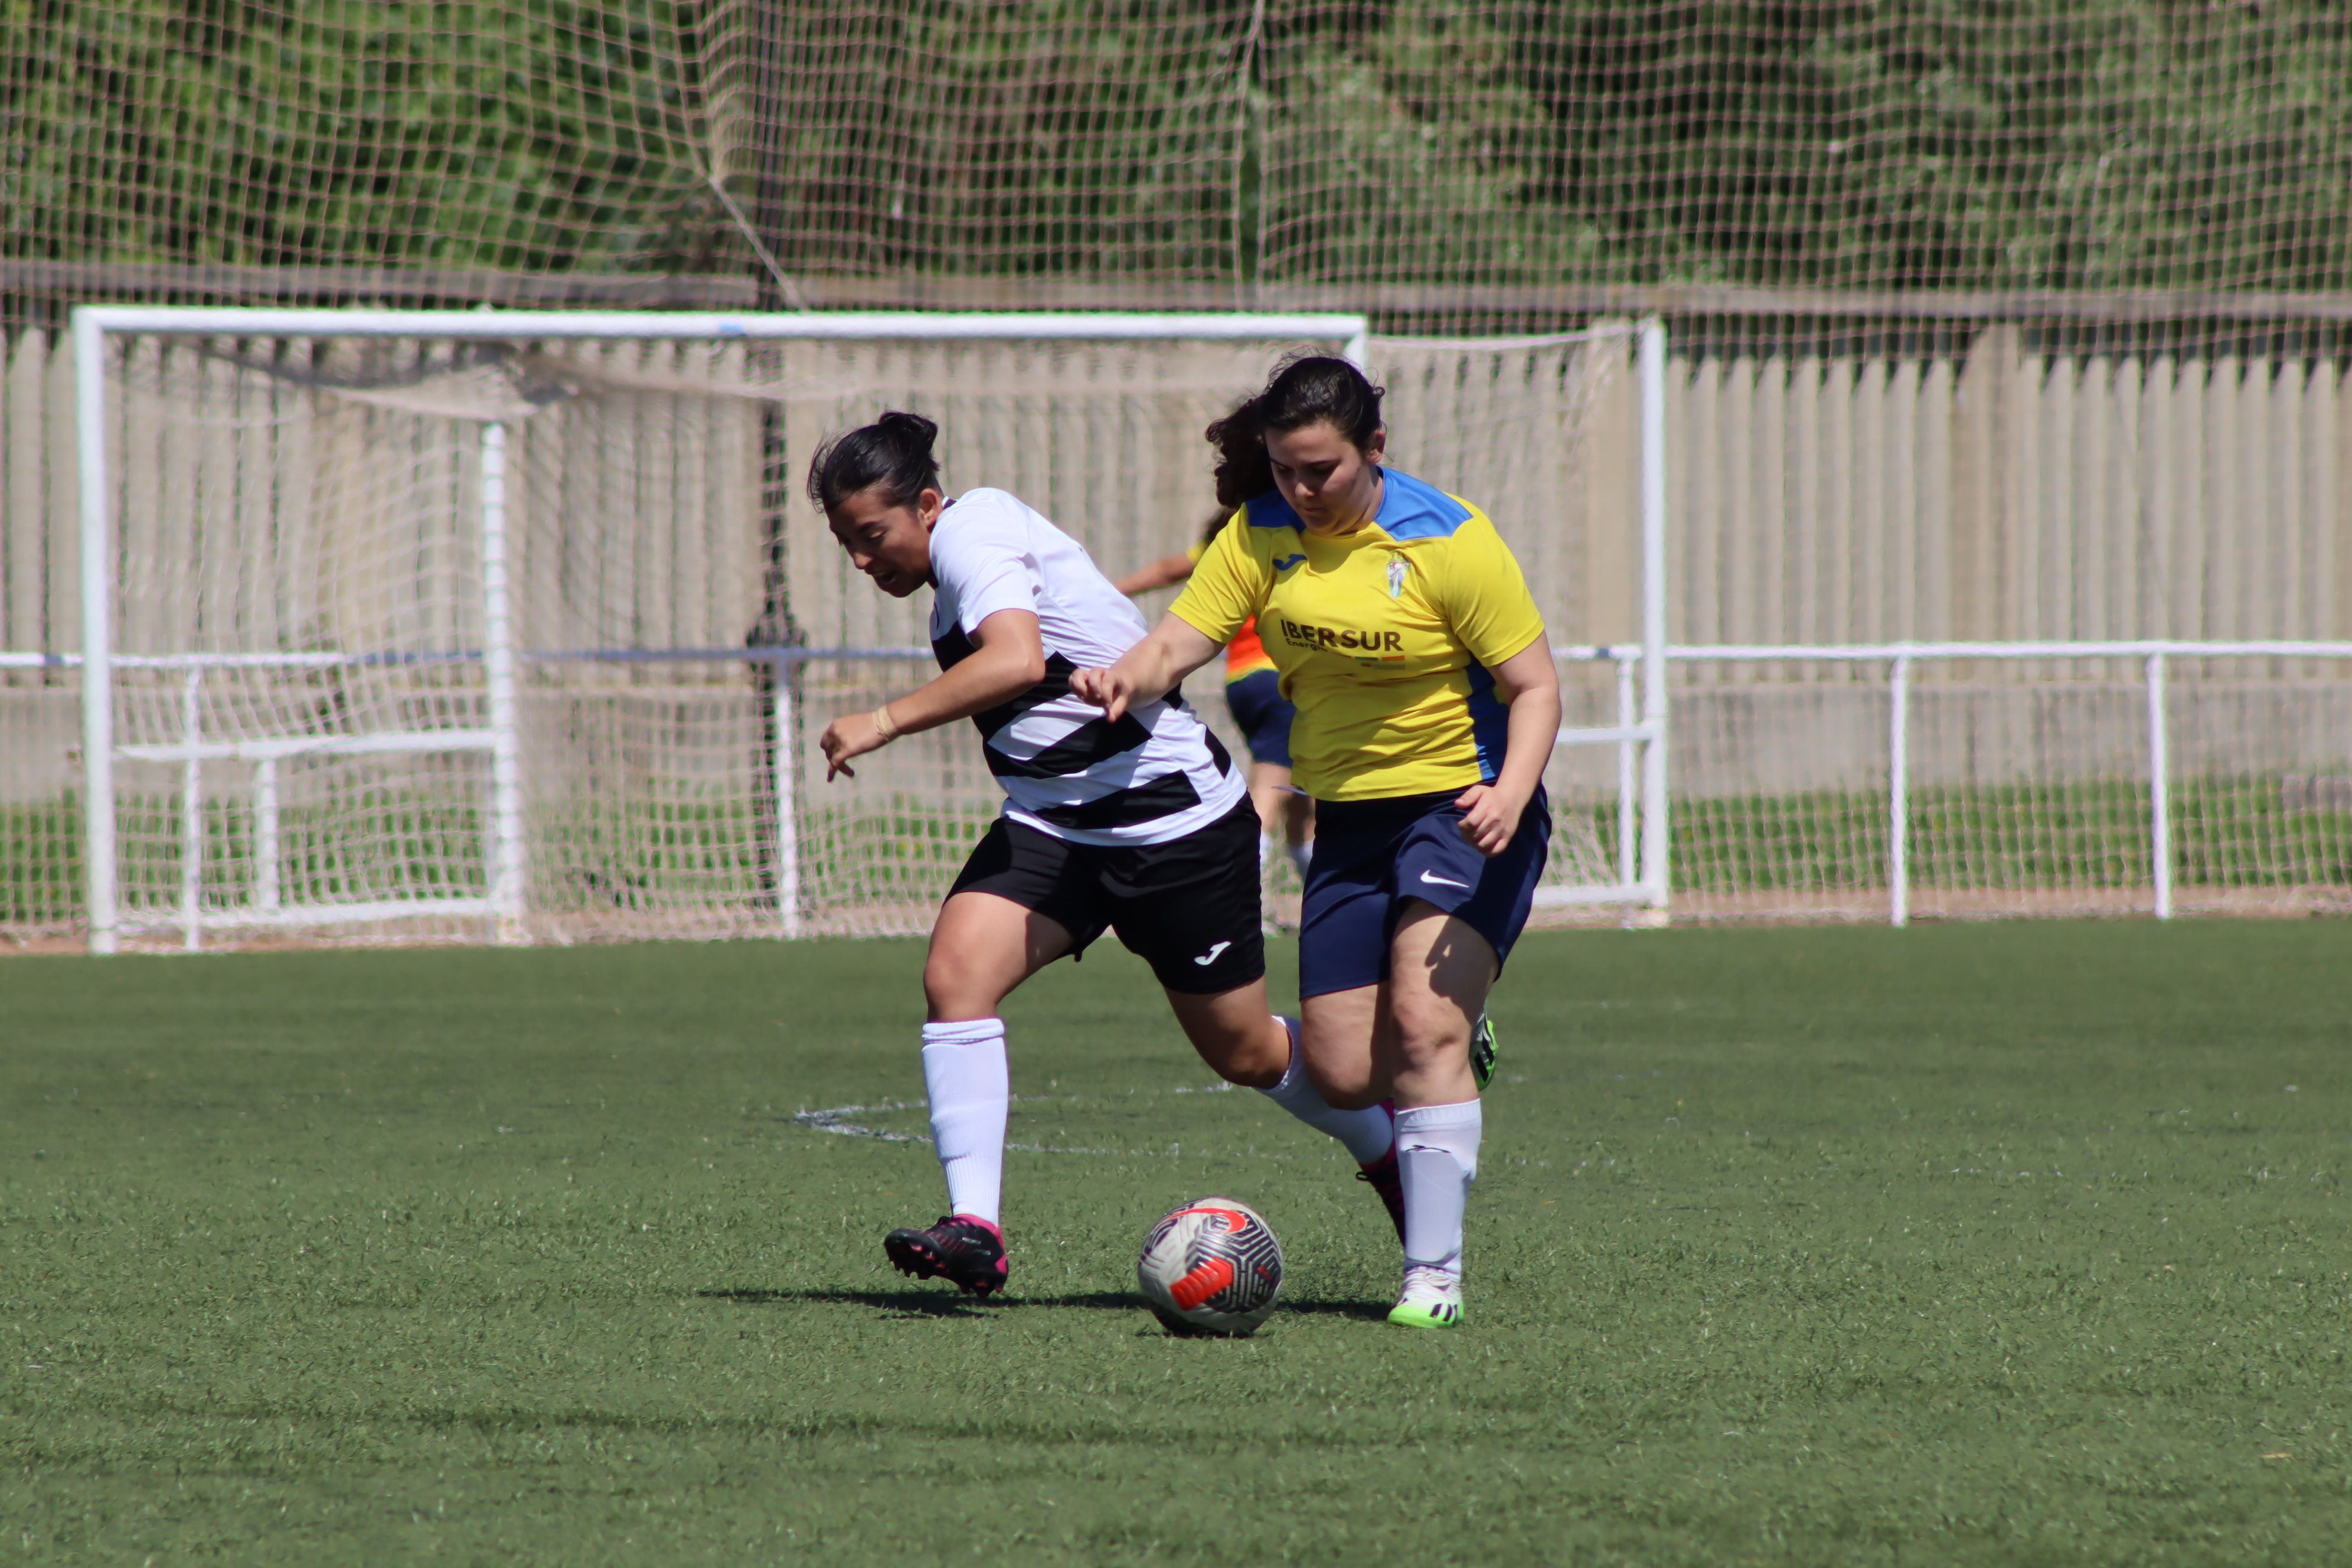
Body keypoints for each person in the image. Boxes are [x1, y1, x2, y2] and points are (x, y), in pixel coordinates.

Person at [810, 411, 1399, 1298]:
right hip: (1054, 829)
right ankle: (976, 1230)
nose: (862, 559)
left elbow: (1015, 661)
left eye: (872, 535)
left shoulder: (977, 531)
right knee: (956, 978)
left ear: (927, 505)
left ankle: (1389, 1137)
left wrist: (883, 720)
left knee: (1243, 1053)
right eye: (845, 543)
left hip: (1176, 830)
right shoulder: (953, 559)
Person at [1073, 358, 1561, 1330]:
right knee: (1343, 1072)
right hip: (1345, 820)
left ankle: (1432, 1278)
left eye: (1321, 471)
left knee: (1421, 1031)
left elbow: (1535, 686)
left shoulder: (1446, 539)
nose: (1301, 490)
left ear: (1372, 450)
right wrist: (1127, 674)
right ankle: (1461, 1042)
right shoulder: (1260, 532)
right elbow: (1182, 637)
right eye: (1285, 471)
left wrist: (1508, 795)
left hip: (1460, 808)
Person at [1115, 517, 1314, 881]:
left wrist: (1111, 590)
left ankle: (1317, 903)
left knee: (1301, 798)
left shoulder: (1228, 542)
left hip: (1241, 683)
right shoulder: (1290, 534)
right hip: (1282, 681)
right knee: (1270, 790)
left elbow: (1166, 571)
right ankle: (1237, 893)